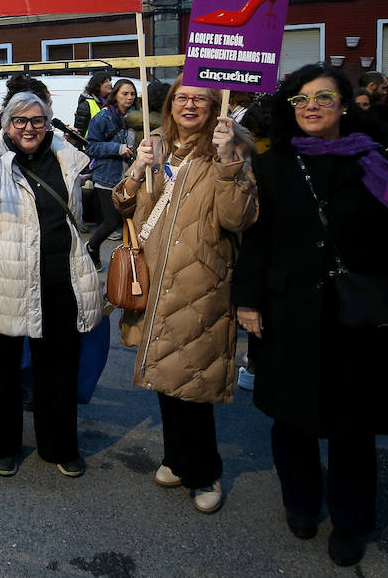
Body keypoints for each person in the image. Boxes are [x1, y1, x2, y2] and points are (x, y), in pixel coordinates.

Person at [233, 64, 388, 566]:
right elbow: (256, 242)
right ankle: (302, 503)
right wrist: (247, 301)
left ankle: (352, 522)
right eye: (301, 99)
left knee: (354, 427)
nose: (311, 107)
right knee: (292, 421)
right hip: (289, 312)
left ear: (345, 106)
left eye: (323, 97)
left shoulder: (377, 164)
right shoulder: (272, 165)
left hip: (356, 317)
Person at [0, 92, 103, 478]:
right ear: (8, 125)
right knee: (3, 373)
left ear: (48, 123)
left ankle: (59, 446)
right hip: (5, 284)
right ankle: (4, 447)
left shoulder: (67, 157)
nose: (29, 128)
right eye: (21, 121)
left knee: (58, 371)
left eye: (38, 121)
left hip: (61, 283)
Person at [111, 79, 258, 514]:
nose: (189, 104)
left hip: (201, 285)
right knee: (164, 379)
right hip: (156, 281)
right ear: (169, 104)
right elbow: (121, 205)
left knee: (192, 384)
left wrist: (229, 157)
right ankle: (176, 458)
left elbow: (239, 217)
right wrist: (137, 169)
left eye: (200, 98)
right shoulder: (155, 144)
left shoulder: (229, 150)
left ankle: (204, 470)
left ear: (215, 106)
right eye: (181, 97)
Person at [84, 79, 138, 263]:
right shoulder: (103, 117)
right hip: (107, 177)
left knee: (132, 221)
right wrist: (117, 148)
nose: (129, 97)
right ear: (115, 95)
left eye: (132, 94)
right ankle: (92, 246)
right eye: (125, 93)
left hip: (130, 177)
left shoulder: (136, 117)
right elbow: (90, 147)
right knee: (111, 222)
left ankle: (131, 261)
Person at [72, 69, 113, 137]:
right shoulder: (86, 105)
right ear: (97, 85)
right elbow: (79, 133)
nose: (110, 83)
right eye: (106, 81)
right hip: (90, 146)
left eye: (110, 81)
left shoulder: (112, 103)